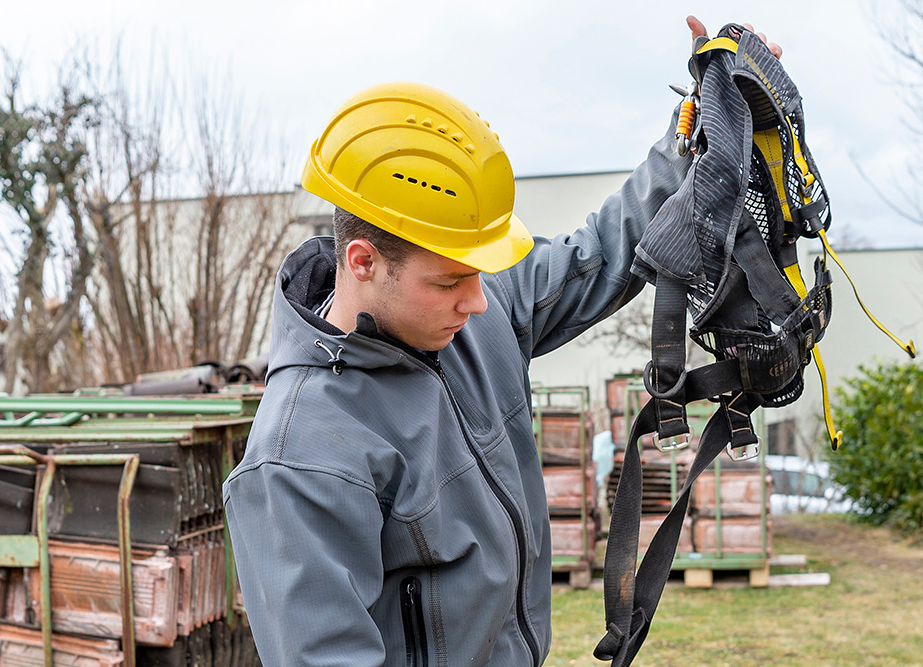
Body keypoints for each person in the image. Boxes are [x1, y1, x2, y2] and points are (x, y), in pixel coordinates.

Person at [223, 17, 780, 667]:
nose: (481, 299)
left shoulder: (469, 315)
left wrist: (701, 127)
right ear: (364, 261)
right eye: (452, 279)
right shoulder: (299, 458)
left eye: (481, 271)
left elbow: (609, 246)